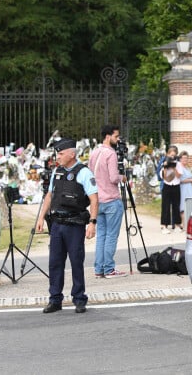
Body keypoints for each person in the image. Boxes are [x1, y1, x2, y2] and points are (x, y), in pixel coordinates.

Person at [35, 138, 98, 314]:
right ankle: (55, 299)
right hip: (57, 224)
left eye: (61, 154)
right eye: (58, 154)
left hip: (75, 224)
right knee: (55, 263)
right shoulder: (57, 171)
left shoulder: (84, 172)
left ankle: (79, 298)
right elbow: (49, 196)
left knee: (76, 262)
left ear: (72, 154)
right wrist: (41, 218)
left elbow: (94, 199)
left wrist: (92, 223)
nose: (58, 157)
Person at [88, 125, 127, 279]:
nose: (118, 140)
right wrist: (122, 177)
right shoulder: (111, 154)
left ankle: (99, 268)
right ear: (108, 136)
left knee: (101, 236)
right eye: (116, 137)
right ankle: (109, 268)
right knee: (111, 235)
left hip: (98, 200)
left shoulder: (94, 153)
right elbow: (113, 177)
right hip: (111, 199)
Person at [160, 145, 181, 233]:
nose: (172, 157)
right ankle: (164, 226)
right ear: (167, 155)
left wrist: (174, 168)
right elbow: (163, 177)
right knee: (166, 206)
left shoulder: (178, 164)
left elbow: (179, 175)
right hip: (167, 186)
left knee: (176, 205)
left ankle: (177, 225)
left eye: (173, 155)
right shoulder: (164, 162)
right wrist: (165, 167)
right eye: (170, 155)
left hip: (176, 185)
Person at [177, 151, 192, 227]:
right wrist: (190, 180)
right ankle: (184, 225)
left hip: (189, 189)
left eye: (186, 158)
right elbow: (179, 180)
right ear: (180, 159)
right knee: (183, 207)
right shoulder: (180, 168)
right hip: (183, 189)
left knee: (190, 206)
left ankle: (188, 224)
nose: (185, 160)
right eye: (183, 158)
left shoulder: (187, 168)